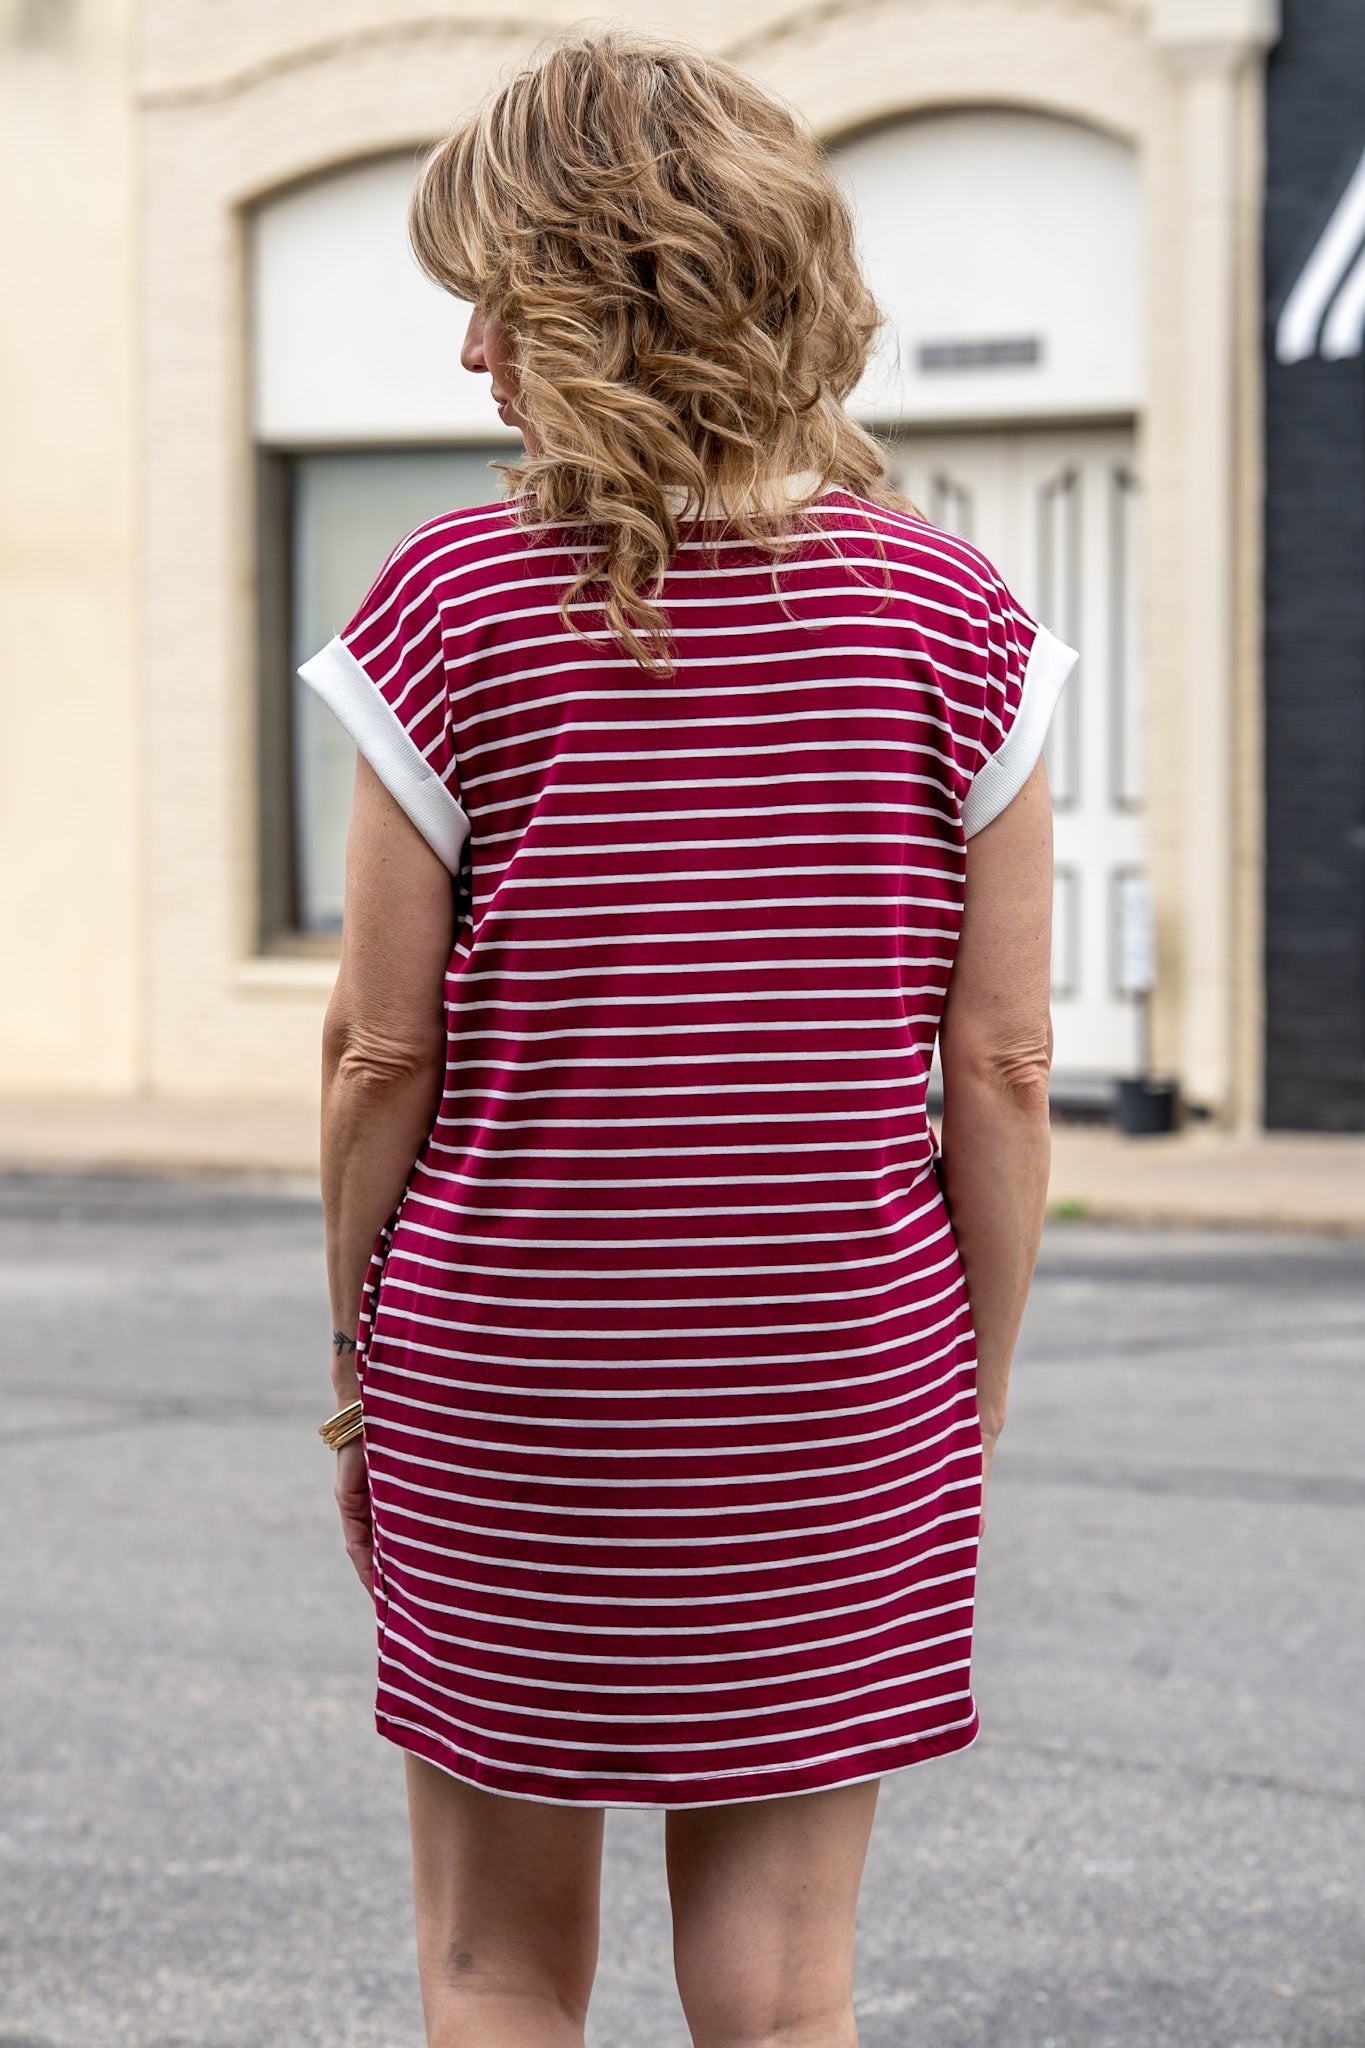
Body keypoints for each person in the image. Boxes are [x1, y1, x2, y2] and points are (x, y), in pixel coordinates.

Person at [299, 26, 1076, 2048]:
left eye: (494, 294)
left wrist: (360, 1366)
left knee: (491, 1969)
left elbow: (379, 1057)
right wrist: (957, 1380)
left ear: (597, 293)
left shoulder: (445, 604)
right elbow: (994, 1068)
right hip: (834, 1376)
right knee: (776, 1989)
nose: (473, 354)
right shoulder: (958, 623)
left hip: (515, 1374)